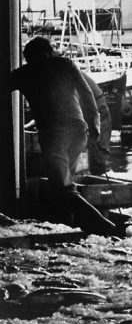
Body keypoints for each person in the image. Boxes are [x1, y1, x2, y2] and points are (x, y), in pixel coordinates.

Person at [10, 37, 121, 235]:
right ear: (49, 52)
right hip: (79, 131)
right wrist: (94, 127)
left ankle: (107, 230)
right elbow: (87, 95)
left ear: (28, 57)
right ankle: (67, 227)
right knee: (61, 184)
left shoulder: (24, 73)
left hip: (54, 135)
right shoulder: (65, 64)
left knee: (63, 188)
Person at [80, 70, 112, 175]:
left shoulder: (61, 70)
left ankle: (102, 178)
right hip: (88, 104)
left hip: (95, 106)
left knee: (98, 147)